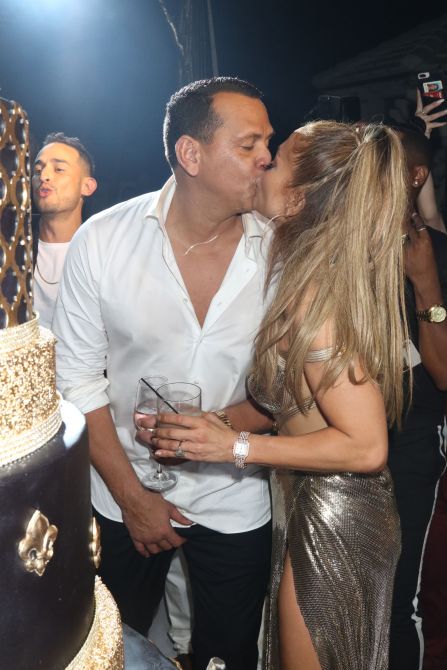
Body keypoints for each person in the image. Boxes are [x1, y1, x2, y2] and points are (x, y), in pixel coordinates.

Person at [153, 120, 410, 670]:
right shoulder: (302, 276)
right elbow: (291, 406)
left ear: (297, 200)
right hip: (307, 498)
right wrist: (212, 427)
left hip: (337, 512)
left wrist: (234, 448)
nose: (262, 163)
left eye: (277, 160)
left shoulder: (317, 300)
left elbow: (366, 446)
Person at [53, 77, 275, 670]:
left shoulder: (281, 250)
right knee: (110, 648)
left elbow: (288, 388)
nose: (267, 157)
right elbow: (76, 381)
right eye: (250, 144)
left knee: (229, 655)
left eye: (267, 143)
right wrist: (133, 498)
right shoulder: (103, 241)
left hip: (235, 493)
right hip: (120, 491)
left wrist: (218, 428)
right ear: (191, 154)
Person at [386, 121, 447, 670]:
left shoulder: (437, 253)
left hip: (411, 447)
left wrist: (426, 285)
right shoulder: (339, 250)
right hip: (336, 450)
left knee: (399, 602)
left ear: (415, 176)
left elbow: (445, 374)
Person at [31, 132, 97, 328]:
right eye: (37, 170)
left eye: (59, 169)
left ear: (87, 187)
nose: (44, 176)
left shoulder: (101, 250)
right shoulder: (13, 240)